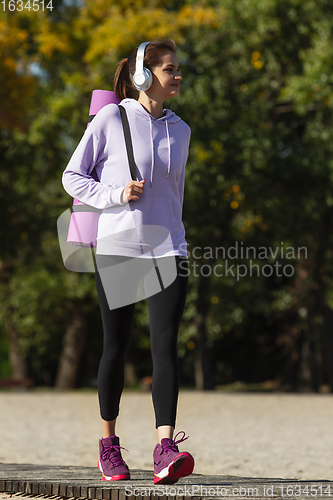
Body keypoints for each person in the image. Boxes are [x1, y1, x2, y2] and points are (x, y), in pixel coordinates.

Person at [62, 39, 194, 485]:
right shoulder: (110, 118)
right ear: (144, 75)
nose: (178, 76)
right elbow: (72, 176)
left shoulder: (182, 129)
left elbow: (173, 195)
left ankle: (165, 447)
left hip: (170, 249)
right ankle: (109, 446)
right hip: (119, 246)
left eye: (178, 70)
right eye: (170, 69)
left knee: (165, 346)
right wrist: (116, 195)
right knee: (115, 348)